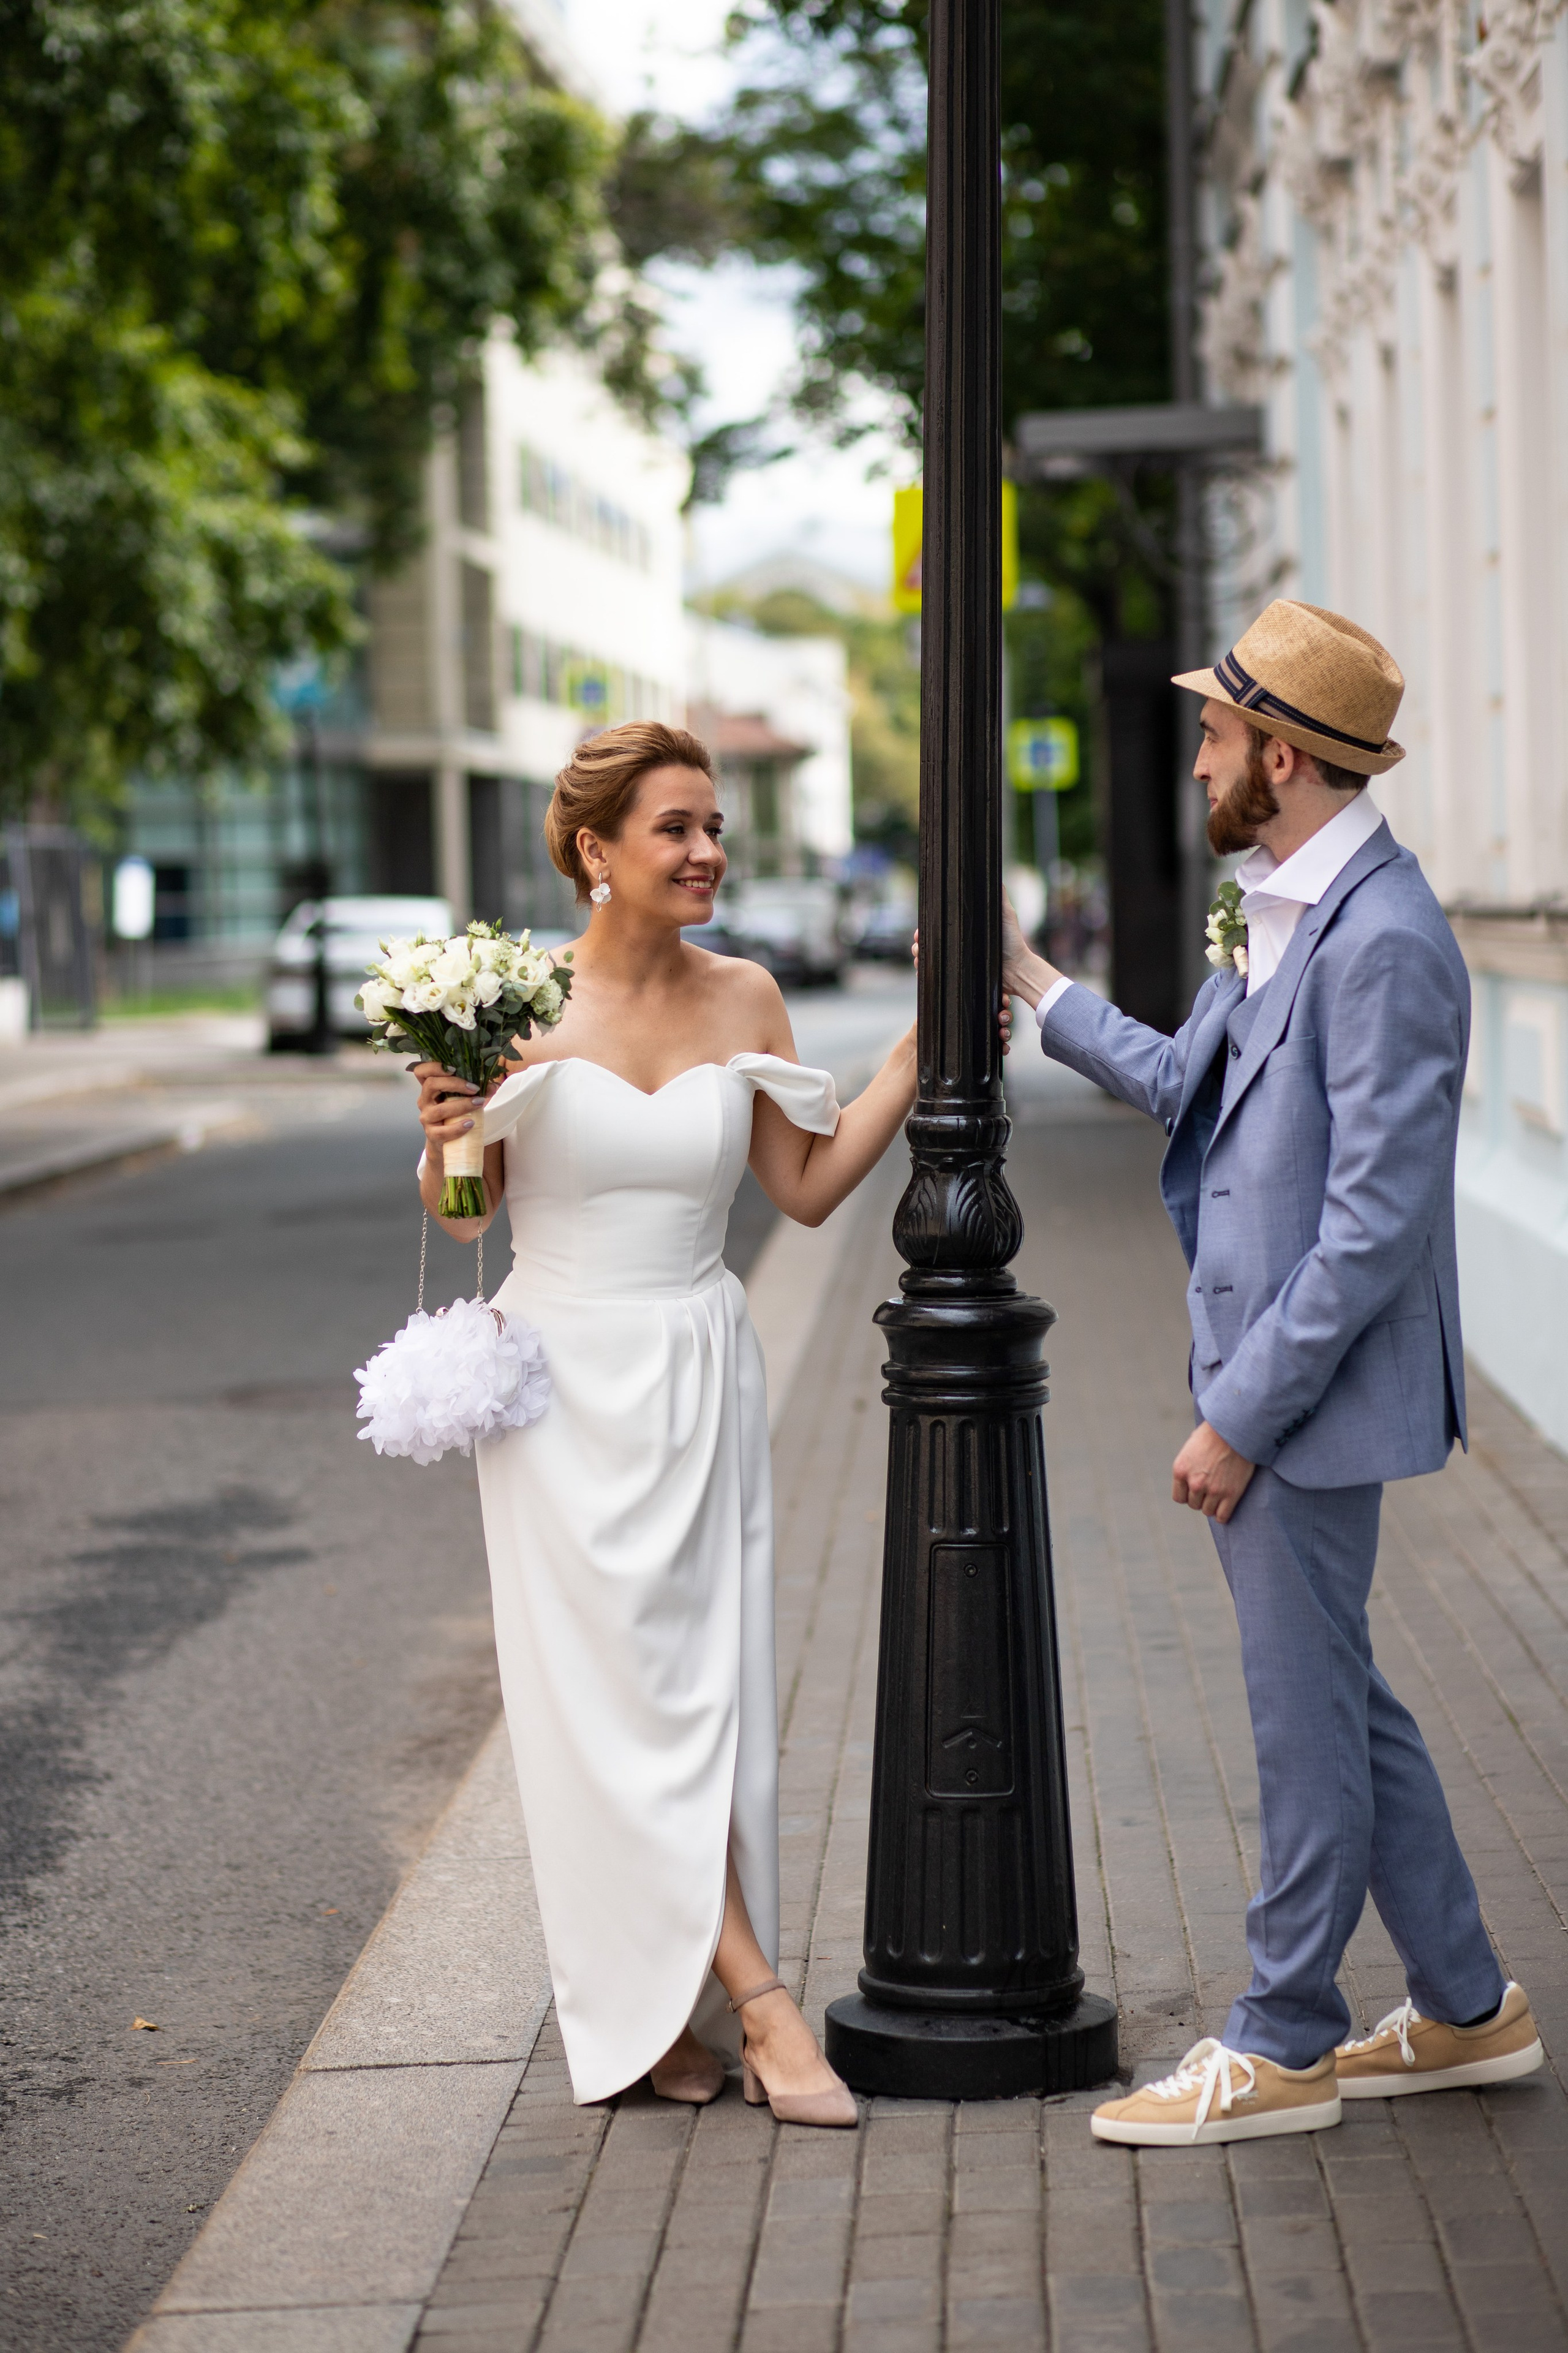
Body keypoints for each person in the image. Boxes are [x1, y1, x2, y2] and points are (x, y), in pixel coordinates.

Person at [1001, 600, 1543, 2148]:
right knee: (1343, 1704)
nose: (1193, 763)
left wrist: (1233, 1417)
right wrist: (1039, 986)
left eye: (1217, 737)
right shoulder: (1282, 907)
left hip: (1300, 1398)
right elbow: (1191, 1084)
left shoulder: (1384, 941)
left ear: (1284, 758)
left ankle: (1283, 2037)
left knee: (1299, 1724)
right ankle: (1462, 2008)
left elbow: (1375, 1228)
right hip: (1266, 1376)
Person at [412, 720, 915, 2126]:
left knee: (704, 1700)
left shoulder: (747, 994)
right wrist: (447, 1125)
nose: (707, 851)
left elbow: (804, 1190)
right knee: (608, 1709)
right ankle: (758, 2003)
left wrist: (913, 1056)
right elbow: (467, 1214)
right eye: (675, 829)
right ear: (593, 853)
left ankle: (662, 2013)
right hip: (558, 1386)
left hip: (700, 1368)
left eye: (711, 827)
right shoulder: (508, 1005)